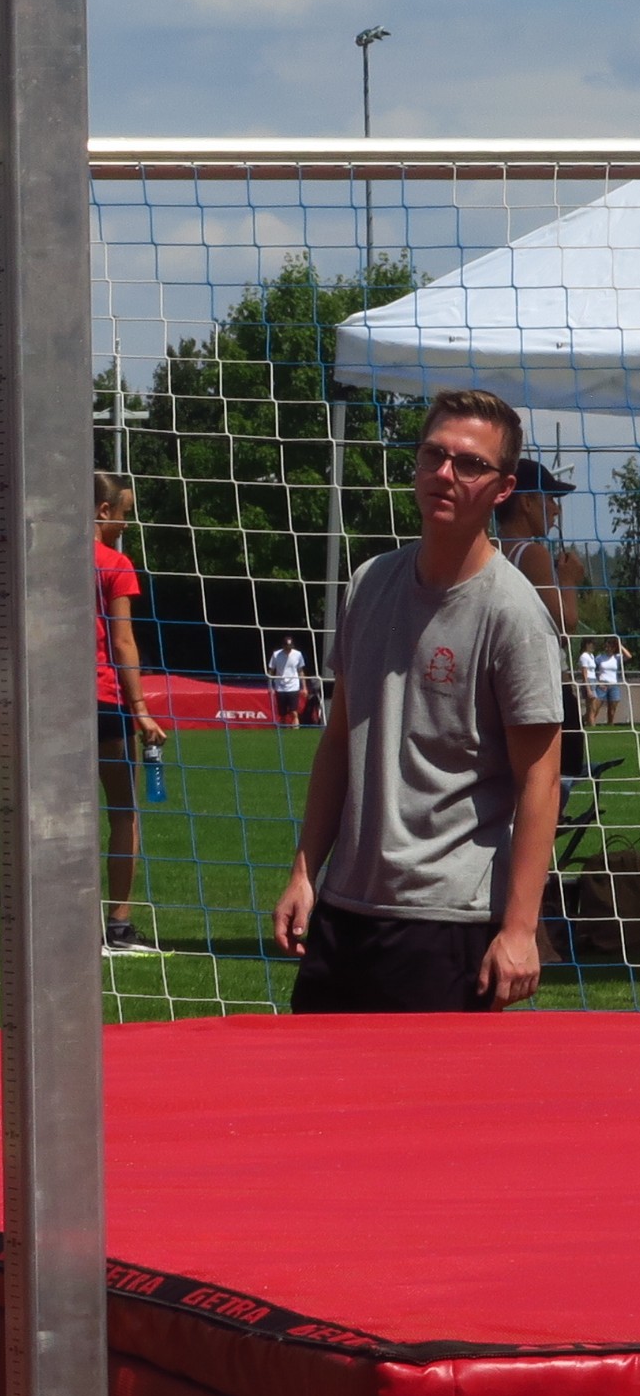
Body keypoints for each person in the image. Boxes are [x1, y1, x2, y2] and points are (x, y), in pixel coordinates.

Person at [272, 389, 562, 1013]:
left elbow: (540, 780)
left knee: (428, 1083)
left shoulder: (513, 614)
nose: (446, 473)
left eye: (471, 463)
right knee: (310, 1076)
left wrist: (519, 930)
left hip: (447, 920)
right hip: (345, 909)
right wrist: (304, 871)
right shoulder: (369, 581)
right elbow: (338, 742)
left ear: (503, 488)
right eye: (435, 454)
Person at [94, 472, 167, 956]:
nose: (127, 523)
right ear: (103, 511)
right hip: (103, 700)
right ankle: (118, 926)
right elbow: (122, 641)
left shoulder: (43, 558)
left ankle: (57, 923)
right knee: (123, 813)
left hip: (49, 703)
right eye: (124, 513)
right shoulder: (115, 563)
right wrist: (141, 710)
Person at [495, 457, 588, 779]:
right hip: (544, 693)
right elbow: (565, 625)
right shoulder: (532, 554)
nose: (556, 509)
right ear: (527, 502)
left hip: (503, 691)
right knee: (553, 785)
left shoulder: (491, 549)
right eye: (550, 498)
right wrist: (569, 581)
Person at [266, 636, 306, 728]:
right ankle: (283, 729)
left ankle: (296, 728)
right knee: (282, 713)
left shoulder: (298, 654)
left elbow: (301, 671)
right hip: (280, 686)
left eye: (290, 647)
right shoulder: (276, 655)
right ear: (283, 646)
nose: (288, 649)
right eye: (287, 647)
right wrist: (270, 686)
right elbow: (271, 671)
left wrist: (304, 687)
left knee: (294, 711)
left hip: (293, 686)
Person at [579, 639, 603, 726]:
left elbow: (592, 672)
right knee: (591, 706)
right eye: (591, 645)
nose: (593, 647)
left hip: (593, 680)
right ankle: (592, 725)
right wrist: (588, 688)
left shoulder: (591, 656)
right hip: (588, 681)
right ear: (586, 645)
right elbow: (584, 673)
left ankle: (584, 720)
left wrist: (598, 683)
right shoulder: (584, 656)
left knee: (593, 706)